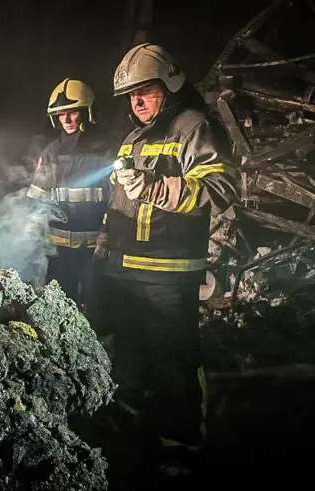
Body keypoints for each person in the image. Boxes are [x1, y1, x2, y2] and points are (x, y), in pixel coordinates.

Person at [94, 43, 239, 479]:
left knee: (174, 358)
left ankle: (183, 441)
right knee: (131, 353)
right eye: (131, 96)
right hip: (126, 271)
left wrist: (155, 188)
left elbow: (221, 190)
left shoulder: (192, 126)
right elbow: (118, 203)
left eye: (146, 91)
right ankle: (135, 424)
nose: (137, 103)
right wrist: (104, 247)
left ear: (171, 84)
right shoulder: (133, 139)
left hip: (169, 273)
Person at [26, 78, 111, 313]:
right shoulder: (51, 152)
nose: (66, 119)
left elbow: (117, 198)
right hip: (59, 250)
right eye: (61, 114)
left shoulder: (105, 149)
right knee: (59, 308)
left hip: (95, 249)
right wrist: (31, 228)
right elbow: (37, 197)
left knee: (98, 307)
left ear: (87, 112)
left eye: (72, 112)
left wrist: (107, 237)